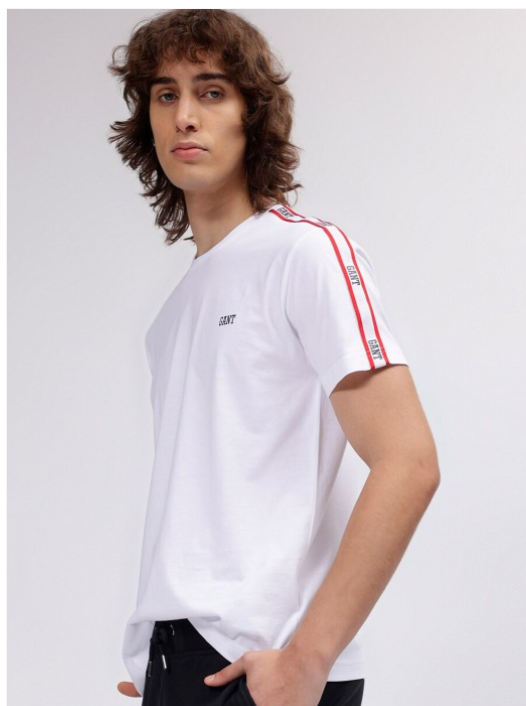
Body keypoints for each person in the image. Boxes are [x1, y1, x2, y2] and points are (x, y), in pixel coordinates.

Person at [108, 9, 440, 706]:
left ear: (251, 115)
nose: (185, 116)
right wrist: (161, 661)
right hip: (179, 662)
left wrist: (307, 659)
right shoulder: (173, 313)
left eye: (211, 91)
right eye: (166, 95)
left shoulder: (306, 253)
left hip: (268, 666)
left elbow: (409, 462)